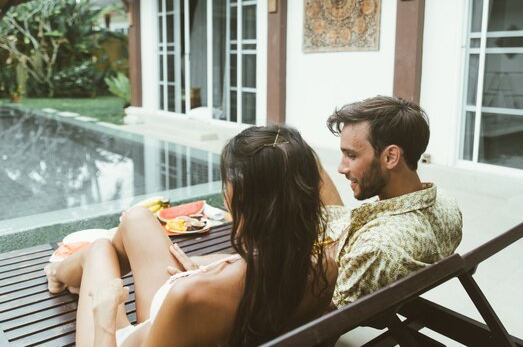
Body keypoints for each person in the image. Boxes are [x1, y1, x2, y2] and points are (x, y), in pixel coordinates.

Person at [44, 125, 337, 347]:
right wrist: (211, 263)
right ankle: (61, 275)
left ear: (240, 197)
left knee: (99, 248)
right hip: (185, 322)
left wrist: (106, 314)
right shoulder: (325, 265)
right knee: (137, 219)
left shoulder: (192, 294)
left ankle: (57, 273)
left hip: (130, 338)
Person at [319, 95, 463, 308]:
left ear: (390, 157)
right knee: (305, 158)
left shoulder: (378, 249)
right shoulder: (445, 201)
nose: (341, 168)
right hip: (350, 234)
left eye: (351, 155)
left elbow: (326, 321)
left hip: (323, 262)